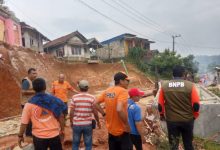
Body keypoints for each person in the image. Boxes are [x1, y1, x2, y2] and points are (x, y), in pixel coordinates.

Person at [158, 65, 200, 150]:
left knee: (173, 145)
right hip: (187, 120)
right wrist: (194, 116)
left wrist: (162, 115)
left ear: (172, 75)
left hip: (172, 121)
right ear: (184, 75)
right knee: (188, 144)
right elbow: (196, 105)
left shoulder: (164, 86)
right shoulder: (190, 86)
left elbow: (160, 105)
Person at [18, 78, 67, 150]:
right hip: (54, 135)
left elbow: (24, 123)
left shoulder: (29, 104)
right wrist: (62, 130)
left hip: (38, 137)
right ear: (45, 87)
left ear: (33, 88)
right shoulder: (54, 100)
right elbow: (61, 116)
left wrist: (20, 135)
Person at [95, 71, 132, 150]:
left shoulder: (107, 91)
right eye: (127, 80)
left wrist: (104, 114)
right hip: (122, 131)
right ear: (121, 81)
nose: (128, 82)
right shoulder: (123, 91)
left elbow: (95, 103)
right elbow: (119, 109)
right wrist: (126, 124)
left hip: (111, 131)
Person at [70, 80, 100, 150]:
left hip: (76, 124)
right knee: (88, 143)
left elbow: (71, 112)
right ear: (87, 88)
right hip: (88, 124)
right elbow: (95, 112)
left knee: (75, 143)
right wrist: (98, 121)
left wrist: (71, 121)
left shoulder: (74, 97)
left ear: (79, 87)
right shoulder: (92, 97)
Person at [21, 68, 38, 136]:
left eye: (36, 73)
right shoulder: (26, 81)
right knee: (28, 120)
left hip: (30, 103)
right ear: (29, 74)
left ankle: (30, 133)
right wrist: (35, 92)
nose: (35, 75)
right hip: (25, 103)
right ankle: (28, 134)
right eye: (33, 73)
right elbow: (23, 92)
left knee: (31, 119)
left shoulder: (32, 81)